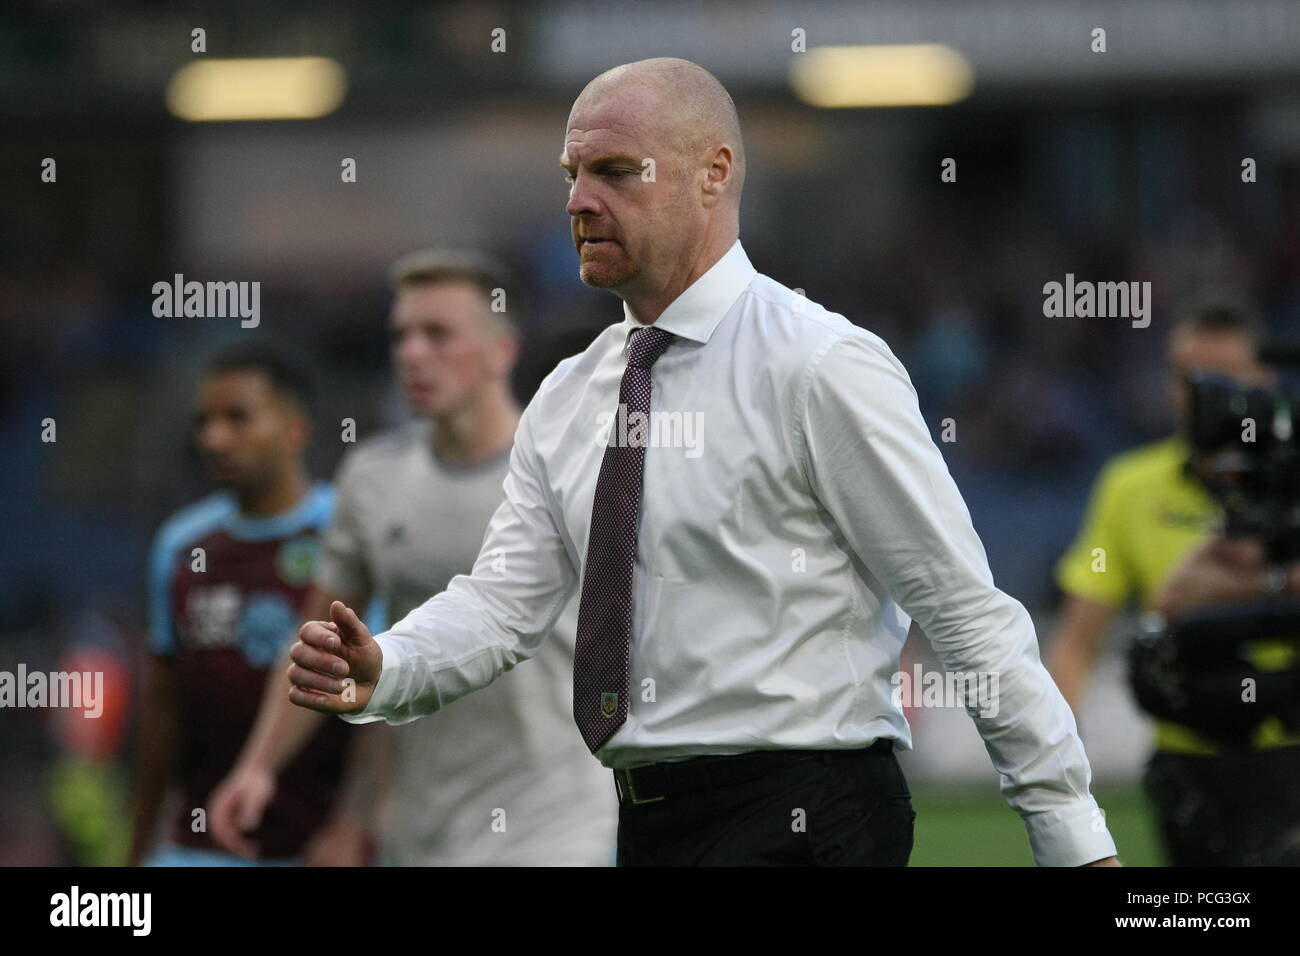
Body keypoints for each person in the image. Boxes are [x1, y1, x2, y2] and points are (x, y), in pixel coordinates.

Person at [287, 57, 1119, 867]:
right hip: (647, 824)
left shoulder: (819, 364)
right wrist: (388, 667)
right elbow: (504, 603)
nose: (579, 200)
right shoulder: (571, 396)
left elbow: (963, 609)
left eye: (614, 171)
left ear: (713, 173)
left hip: (807, 816)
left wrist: (1072, 839)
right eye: (572, 174)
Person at [208, 250, 617, 866]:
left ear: (500, 351)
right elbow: (318, 644)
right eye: (401, 335)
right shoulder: (372, 479)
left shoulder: (573, 469)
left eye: (438, 334)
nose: (412, 353)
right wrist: (258, 767)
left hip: (555, 826)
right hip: (420, 831)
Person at [1047, 299, 1300, 864]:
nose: (1203, 395)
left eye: (1226, 380)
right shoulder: (1128, 487)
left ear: (1265, 383)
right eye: (1189, 378)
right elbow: (1076, 641)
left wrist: (1228, 587)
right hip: (1189, 764)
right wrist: (1058, 766)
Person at [130, 342, 349, 866]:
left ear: (295, 429)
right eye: (205, 421)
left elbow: (387, 704)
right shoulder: (181, 547)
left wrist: (352, 828)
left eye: (238, 418)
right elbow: (164, 706)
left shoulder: (346, 532)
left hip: (317, 847)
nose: (214, 438)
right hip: (197, 846)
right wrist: (137, 849)